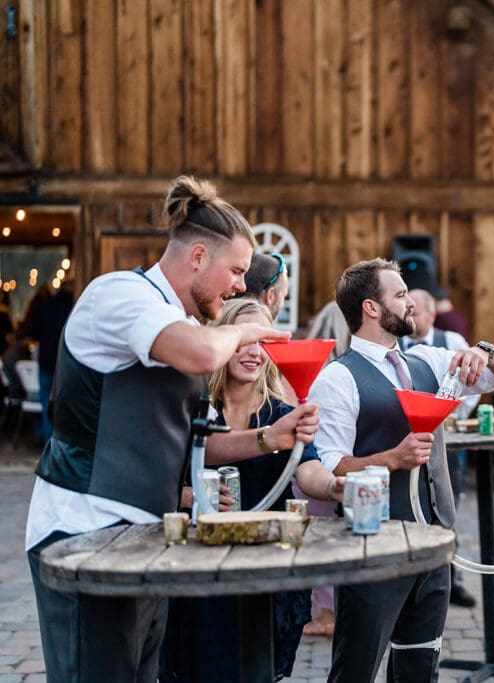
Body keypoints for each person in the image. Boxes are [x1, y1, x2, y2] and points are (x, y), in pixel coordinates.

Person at [24, 175, 319, 682]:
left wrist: (274, 436)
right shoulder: (119, 294)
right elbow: (203, 351)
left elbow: (195, 443)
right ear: (198, 257)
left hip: (146, 539)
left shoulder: (177, 323)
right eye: (236, 271)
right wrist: (249, 327)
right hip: (83, 534)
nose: (240, 287)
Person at [308, 257, 494, 682]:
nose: (412, 305)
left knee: (419, 667)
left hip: (434, 545)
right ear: (371, 308)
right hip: (373, 550)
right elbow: (326, 470)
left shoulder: (430, 361)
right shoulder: (337, 378)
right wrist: (391, 459)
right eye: (401, 295)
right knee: (356, 670)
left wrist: (484, 351)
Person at [160, 298, 345, 682]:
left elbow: (306, 469)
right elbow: (159, 474)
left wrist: (332, 486)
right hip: (199, 568)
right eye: (244, 340)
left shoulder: (279, 412)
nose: (253, 353)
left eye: (263, 343)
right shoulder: (195, 407)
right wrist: (190, 498)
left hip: (264, 565)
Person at [401, 287, 478, 608]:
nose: (412, 316)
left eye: (417, 311)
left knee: (447, 507)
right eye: (409, 309)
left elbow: (473, 387)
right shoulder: (396, 345)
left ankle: (451, 578)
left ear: (432, 315)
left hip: (446, 441)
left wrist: (451, 413)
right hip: (406, 441)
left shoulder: (451, 343)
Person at [299, 299, 353, 637]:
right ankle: (337, 610)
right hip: (340, 461)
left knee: (317, 538)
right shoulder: (350, 370)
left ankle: (325, 614)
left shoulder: (312, 365)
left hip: (313, 458)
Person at [22, 280, 75, 442]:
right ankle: (63, 447)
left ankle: (49, 445)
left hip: (45, 362)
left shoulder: (46, 306)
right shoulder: (73, 308)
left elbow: (32, 331)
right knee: (67, 407)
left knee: (46, 405)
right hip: (65, 363)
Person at [239, 251, 289, 321]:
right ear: (270, 296)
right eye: (283, 296)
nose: (283, 304)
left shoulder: (222, 326)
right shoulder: (263, 331)